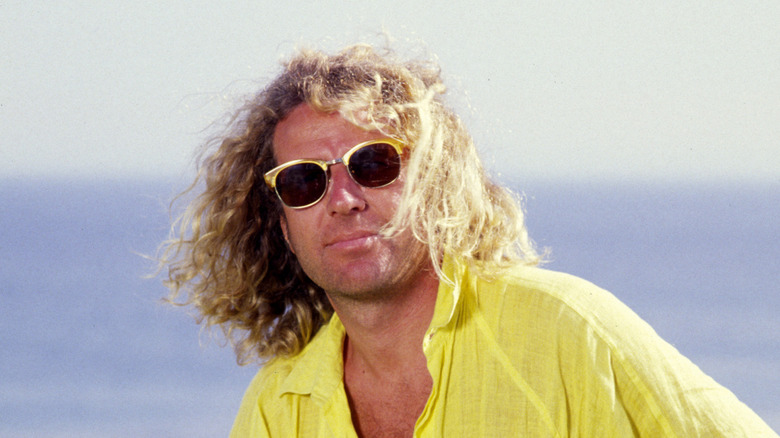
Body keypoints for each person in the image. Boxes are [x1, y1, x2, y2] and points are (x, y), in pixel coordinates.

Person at [160, 43, 777, 437]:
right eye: (304, 181)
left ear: (433, 178)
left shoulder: (566, 330)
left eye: (375, 164)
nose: (344, 198)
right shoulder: (279, 408)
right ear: (281, 223)